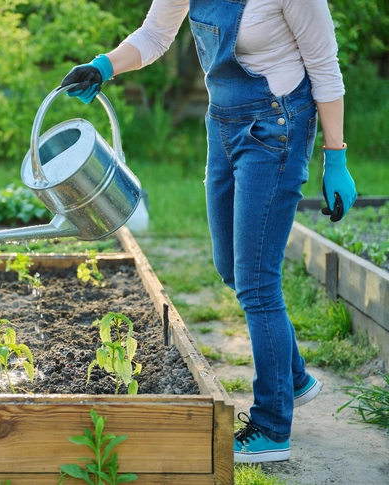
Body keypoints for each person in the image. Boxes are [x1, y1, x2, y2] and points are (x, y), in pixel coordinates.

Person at [61, 0, 357, 464]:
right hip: (223, 124)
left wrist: (335, 157)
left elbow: (324, 67)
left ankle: (272, 426)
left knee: (257, 281)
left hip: (278, 124)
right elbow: (156, 35)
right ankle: (291, 377)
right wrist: (104, 66)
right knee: (230, 267)